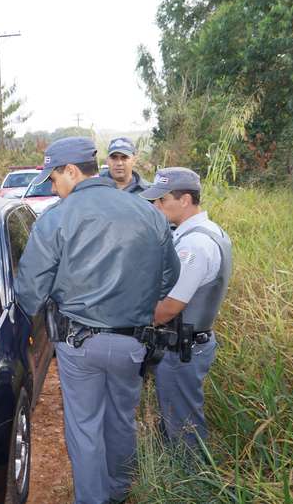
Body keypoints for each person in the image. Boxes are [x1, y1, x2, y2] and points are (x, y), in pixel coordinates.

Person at [14, 137, 180, 504]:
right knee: (121, 419)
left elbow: (29, 291)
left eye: (53, 179)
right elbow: (170, 277)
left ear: (71, 171)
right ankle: (120, 491)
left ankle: (92, 499)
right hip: (132, 343)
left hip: (79, 345)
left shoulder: (57, 217)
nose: (53, 188)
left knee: (85, 427)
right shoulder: (149, 212)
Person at [140, 167, 233, 448]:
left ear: (185, 200)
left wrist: (131, 319)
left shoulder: (194, 244)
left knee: (183, 427)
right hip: (187, 344)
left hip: (183, 349)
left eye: (162, 200)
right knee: (178, 418)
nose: (156, 206)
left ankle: (190, 481)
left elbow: (169, 308)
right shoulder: (208, 232)